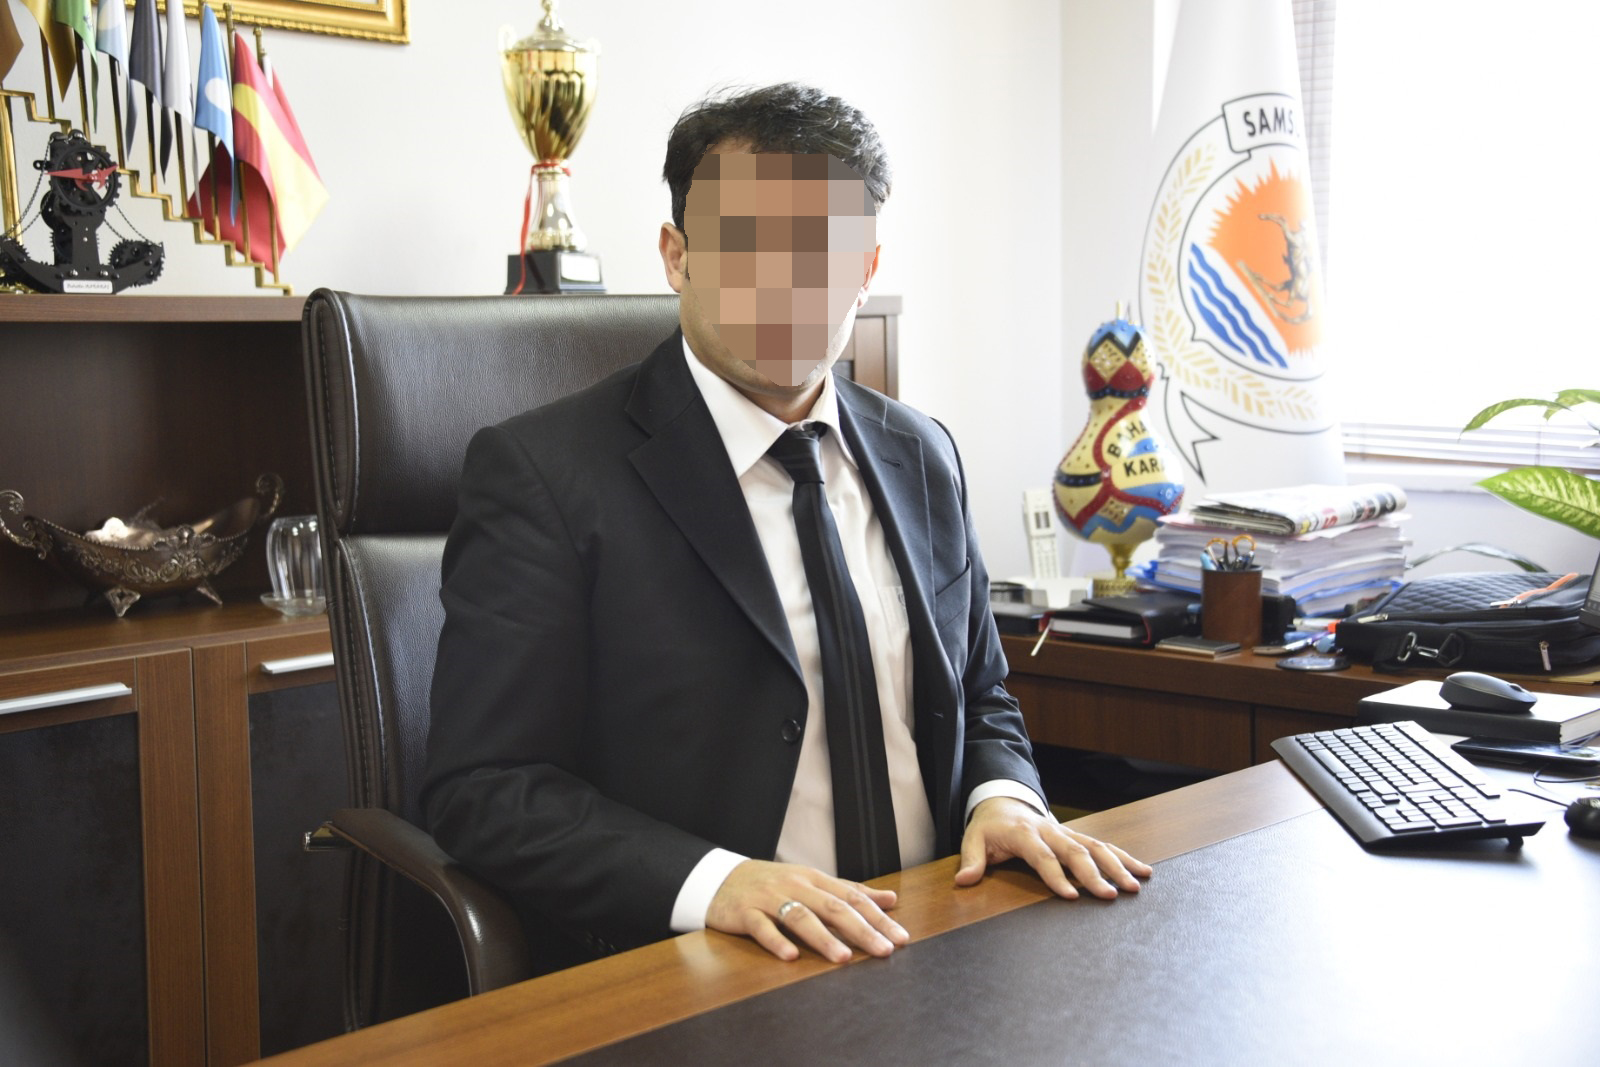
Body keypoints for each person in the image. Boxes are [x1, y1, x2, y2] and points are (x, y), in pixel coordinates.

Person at [423, 83, 1149, 971]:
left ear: (866, 267)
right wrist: (716, 882)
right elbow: (484, 788)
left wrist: (1002, 798)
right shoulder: (545, 474)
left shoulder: (921, 453)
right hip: (712, 965)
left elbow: (981, 692)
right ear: (678, 256)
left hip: (939, 936)